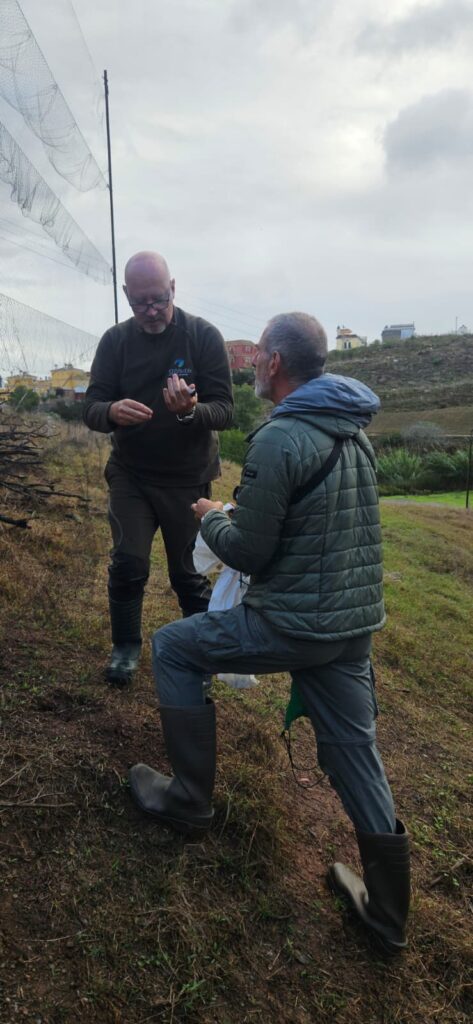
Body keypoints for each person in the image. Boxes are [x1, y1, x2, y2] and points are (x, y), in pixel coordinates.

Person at [129, 311, 410, 955]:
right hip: (352, 626)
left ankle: (188, 800)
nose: (252, 364)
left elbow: (251, 552)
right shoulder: (353, 433)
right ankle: (388, 917)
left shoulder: (282, 438)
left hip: (293, 623)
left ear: (274, 364)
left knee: (174, 646)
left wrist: (209, 517)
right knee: (353, 753)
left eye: (257, 357)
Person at [83, 251, 233, 684]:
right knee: (128, 563)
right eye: (140, 303)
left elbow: (224, 410)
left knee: (188, 574)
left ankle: (203, 657)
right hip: (132, 473)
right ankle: (125, 649)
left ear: (173, 288)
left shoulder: (202, 336)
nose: (150, 311)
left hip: (188, 479)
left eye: (159, 300)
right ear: (126, 295)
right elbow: (90, 407)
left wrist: (189, 411)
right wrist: (111, 410)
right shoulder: (115, 342)